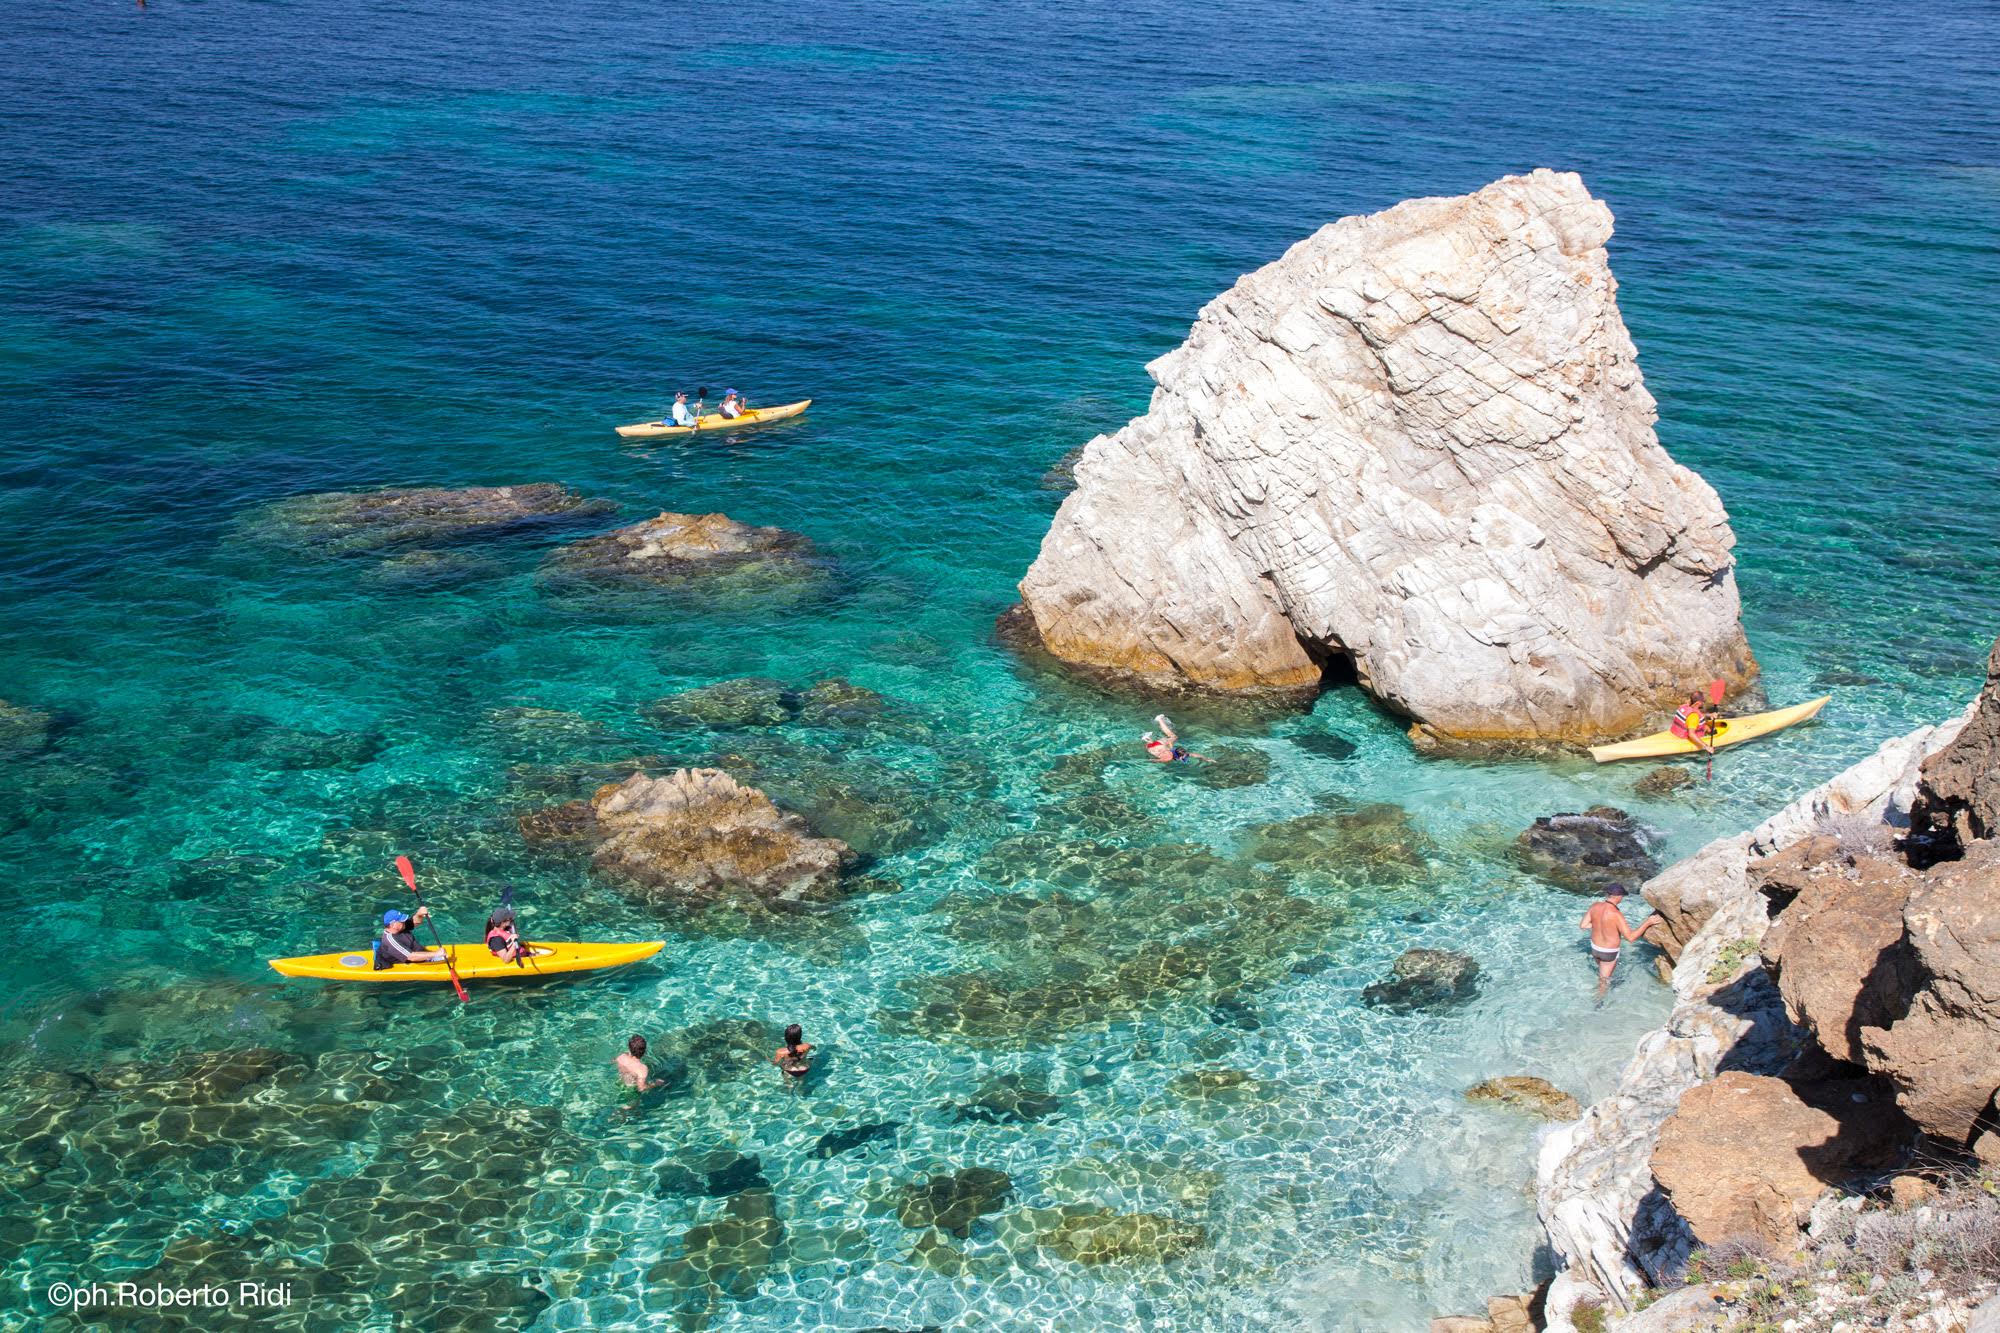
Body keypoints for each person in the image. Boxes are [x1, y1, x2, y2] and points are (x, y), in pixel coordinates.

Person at [1580, 883, 1662, 999]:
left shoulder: (1595, 906)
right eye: (1622, 896)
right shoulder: (1616, 914)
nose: (1622, 898)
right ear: (1618, 896)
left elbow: (1583, 925)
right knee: (1603, 981)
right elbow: (1631, 938)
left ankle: (1603, 989)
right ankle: (1598, 1003)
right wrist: (1648, 922)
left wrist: (1601, 925)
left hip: (1595, 948)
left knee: (1602, 973)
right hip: (1608, 952)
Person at [374, 908, 445, 968]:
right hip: (414, 959)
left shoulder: (401, 927)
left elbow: (416, 922)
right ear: (393, 925)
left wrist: (419, 914)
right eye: (401, 920)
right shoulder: (390, 941)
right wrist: (436, 954)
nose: (404, 921)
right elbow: (411, 957)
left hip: (418, 953)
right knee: (444, 957)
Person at [1141, 714, 1209, 764]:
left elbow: (1192, 754)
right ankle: (1148, 737)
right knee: (1172, 737)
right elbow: (1157, 760)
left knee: (1173, 736)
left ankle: (1159, 720)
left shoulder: (1171, 755)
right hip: (1149, 748)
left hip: (1158, 746)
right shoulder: (1170, 757)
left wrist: (1206, 758)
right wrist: (1206, 759)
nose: (1185, 757)